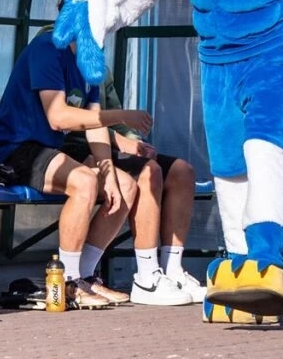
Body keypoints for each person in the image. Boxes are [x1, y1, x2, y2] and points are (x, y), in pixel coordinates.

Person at [0, 0, 190, 307]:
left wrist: (108, 171)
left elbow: (95, 125)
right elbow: (58, 117)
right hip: (14, 150)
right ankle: (68, 282)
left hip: (49, 150)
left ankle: (86, 276)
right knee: (84, 181)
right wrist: (121, 115)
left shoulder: (89, 59)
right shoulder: (47, 48)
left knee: (124, 186)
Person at [49, 23, 204, 302]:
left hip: (106, 142)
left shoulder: (97, 58)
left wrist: (134, 141)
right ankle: (146, 277)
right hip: (76, 147)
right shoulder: (52, 42)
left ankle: (172, 271)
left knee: (182, 171)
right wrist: (121, 141)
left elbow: (110, 112)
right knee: (148, 172)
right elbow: (73, 119)